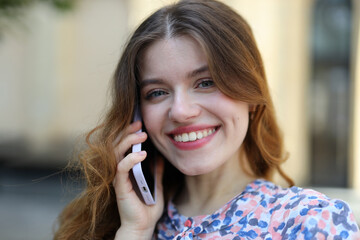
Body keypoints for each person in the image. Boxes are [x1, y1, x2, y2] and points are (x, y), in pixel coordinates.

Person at [54, 0, 360, 239]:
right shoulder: (123, 222)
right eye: (157, 92)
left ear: (251, 95)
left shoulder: (310, 223)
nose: (181, 111)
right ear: (136, 112)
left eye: (205, 82)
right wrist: (135, 232)